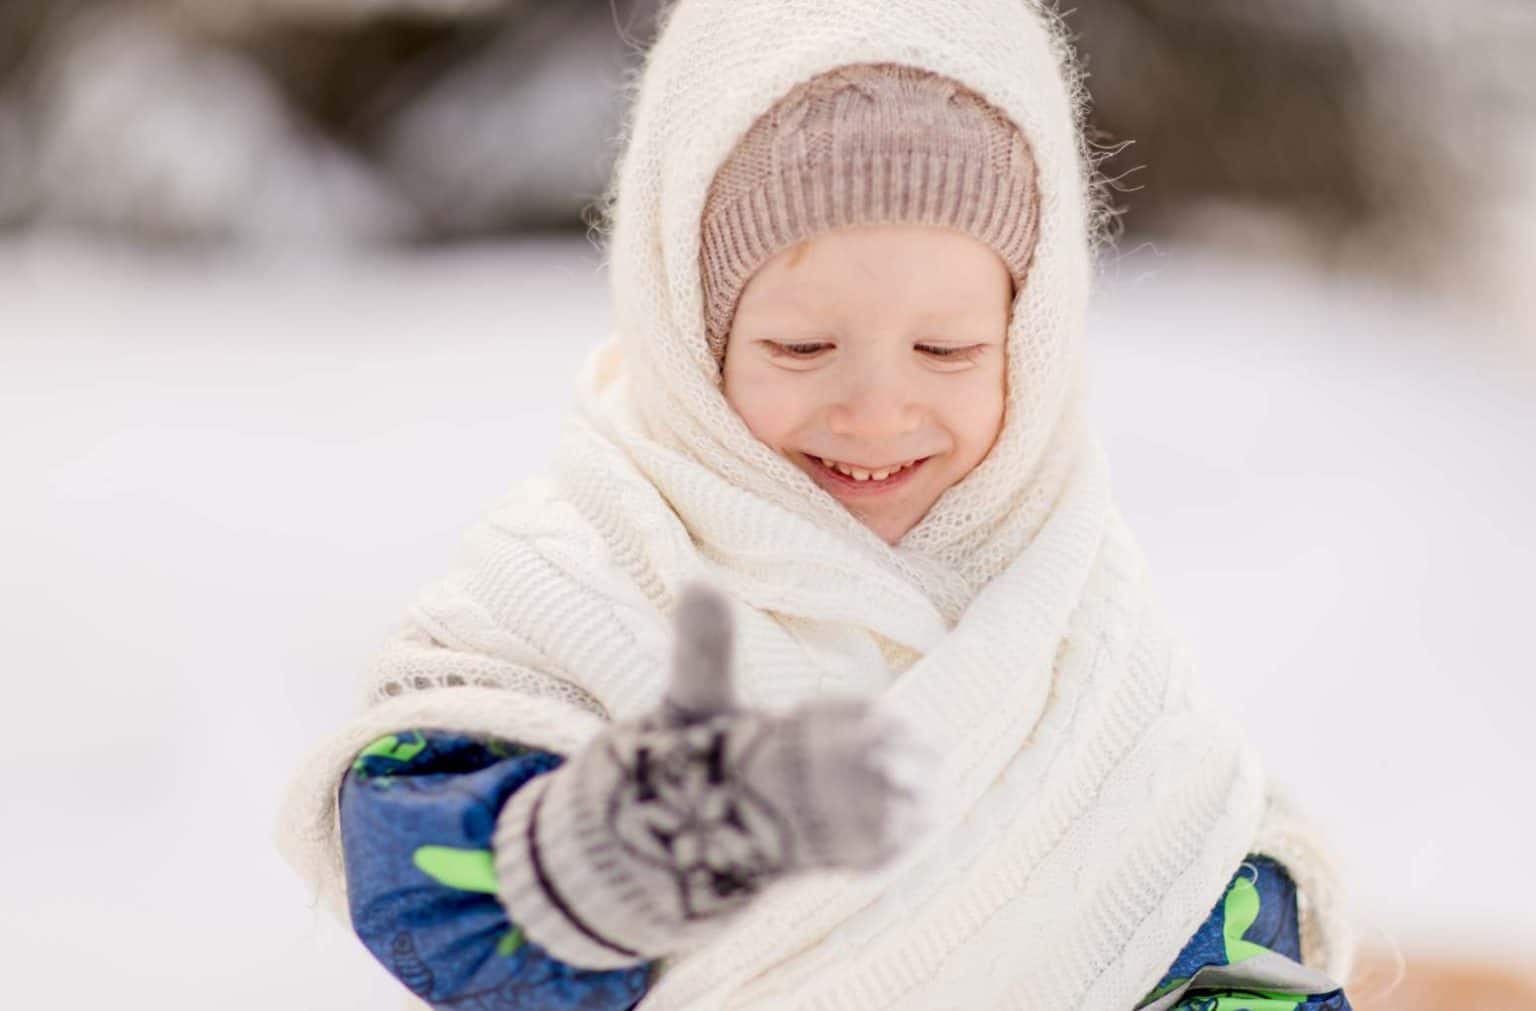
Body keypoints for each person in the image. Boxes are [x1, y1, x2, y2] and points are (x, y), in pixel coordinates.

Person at [276, 2, 1359, 1008]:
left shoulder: (1073, 598)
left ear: (1031, 342)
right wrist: (600, 856)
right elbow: (413, 874)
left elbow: (1196, 891)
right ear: (687, 333)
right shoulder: (588, 564)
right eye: (802, 347)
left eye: (947, 350)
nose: (877, 410)